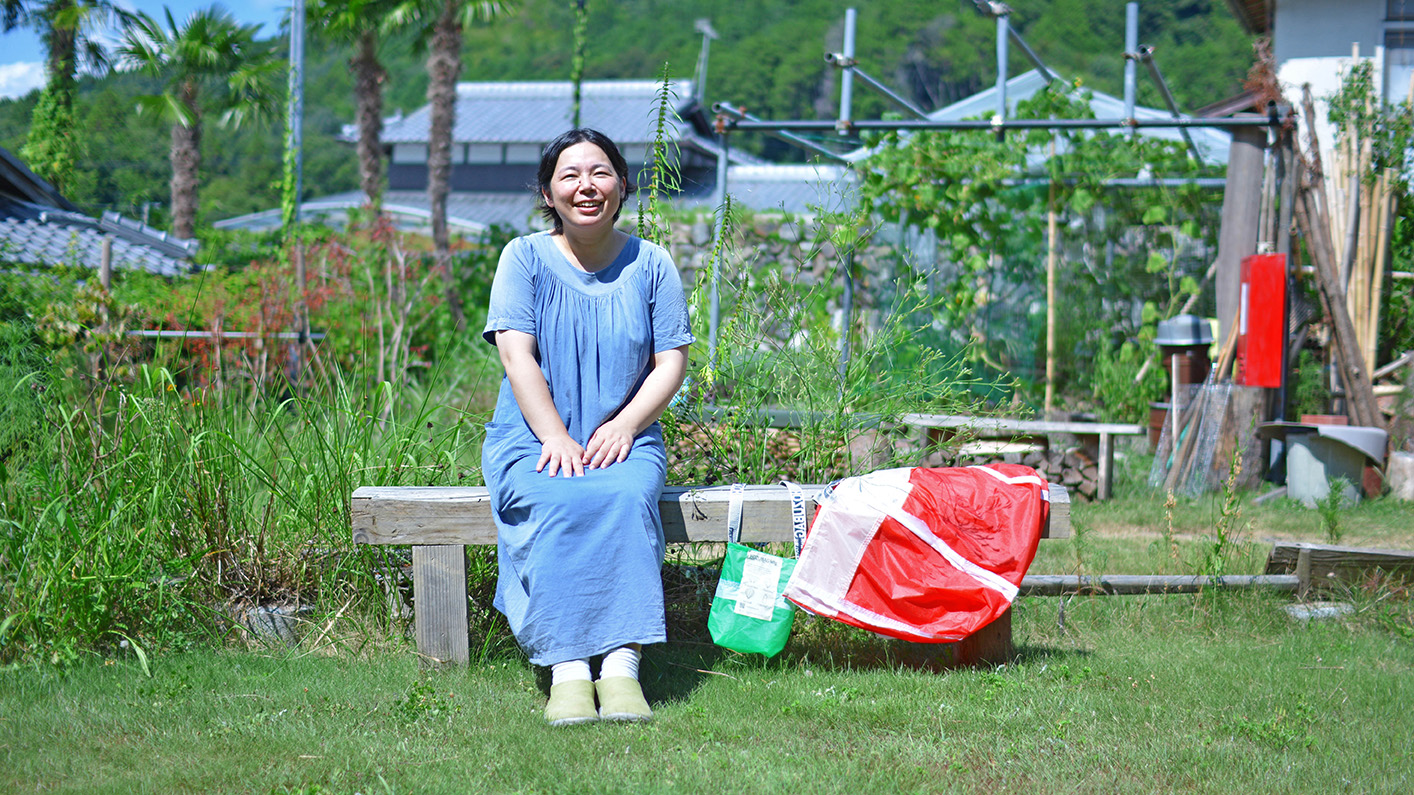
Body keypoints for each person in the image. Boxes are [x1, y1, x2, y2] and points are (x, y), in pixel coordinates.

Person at [480, 128, 693, 726]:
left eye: (600, 173)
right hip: (531, 435)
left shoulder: (651, 263)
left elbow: (670, 361)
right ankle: (568, 668)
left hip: (624, 435)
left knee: (626, 497)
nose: (586, 187)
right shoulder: (522, 257)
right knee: (552, 497)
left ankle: (622, 665)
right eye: (569, 176)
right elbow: (516, 355)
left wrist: (626, 425)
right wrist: (553, 436)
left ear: (622, 185)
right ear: (547, 191)